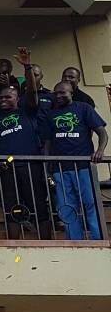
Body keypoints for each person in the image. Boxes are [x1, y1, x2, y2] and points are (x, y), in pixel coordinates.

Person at [0, 49, 50, 237]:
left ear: (17, 99)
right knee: (11, 207)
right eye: (1, 97)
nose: (4, 100)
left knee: (38, 205)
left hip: (31, 166)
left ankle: (46, 243)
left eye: (8, 97)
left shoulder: (27, 112)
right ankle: (14, 245)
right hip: (7, 169)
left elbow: (32, 92)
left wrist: (27, 66)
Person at [40, 79, 108, 240]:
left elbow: (102, 132)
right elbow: (47, 144)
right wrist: (47, 167)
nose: (58, 96)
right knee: (66, 207)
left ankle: (98, 239)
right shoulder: (50, 115)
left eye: (62, 92)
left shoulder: (83, 108)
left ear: (71, 93)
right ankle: (74, 240)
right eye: (55, 93)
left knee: (90, 203)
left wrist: (100, 150)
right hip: (60, 168)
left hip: (83, 166)